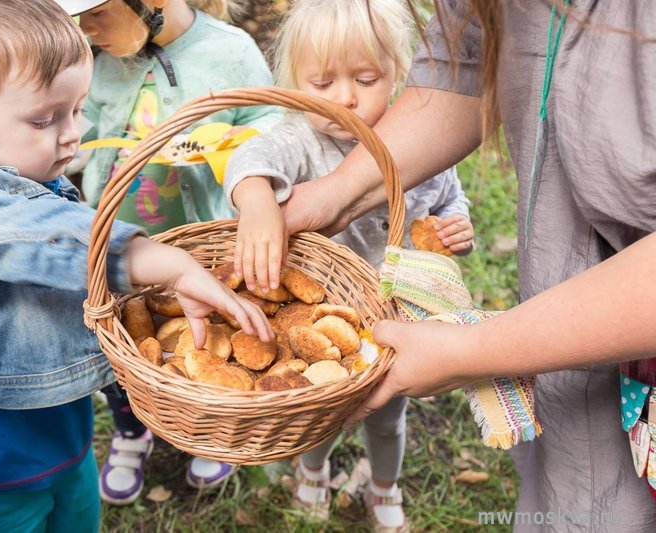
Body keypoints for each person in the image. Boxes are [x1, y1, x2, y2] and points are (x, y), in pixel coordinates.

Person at [279, 0, 656, 529]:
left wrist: (470, 349)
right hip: (572, 351)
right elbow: (467, 62)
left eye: (366, 78)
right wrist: (337, 193)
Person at [0, 1, 272, 530]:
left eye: (76, 109)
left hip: (63, 429)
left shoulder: (15, 157)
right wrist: (154, 259)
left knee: (77, 516)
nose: (73, 132)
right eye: (45, 118)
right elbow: (33, 233)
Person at [223, 0, 472, 529]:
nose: (345, 98)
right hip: (322, 313)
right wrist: (259, 201)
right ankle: (312, 473)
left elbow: (450, 197)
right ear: (293, 84)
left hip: (395, 315)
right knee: (320, 408)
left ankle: (384, 488)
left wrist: (456, 228)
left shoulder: (415, 147)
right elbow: (249, 162)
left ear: (399, 75)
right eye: (322, 82)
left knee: (386, 413)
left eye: (365, 78)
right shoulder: (299, 139)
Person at [59, 0, 282, 503]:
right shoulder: (100, 60)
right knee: (123, 346)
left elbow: (269, 118)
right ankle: (132, 430)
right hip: (122, 244)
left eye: (95, 11)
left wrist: (231, 144)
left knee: (204, 335)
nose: (85, 26)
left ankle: (210, 427)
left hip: (200, 242)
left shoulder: (230, 52)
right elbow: (87, 122)